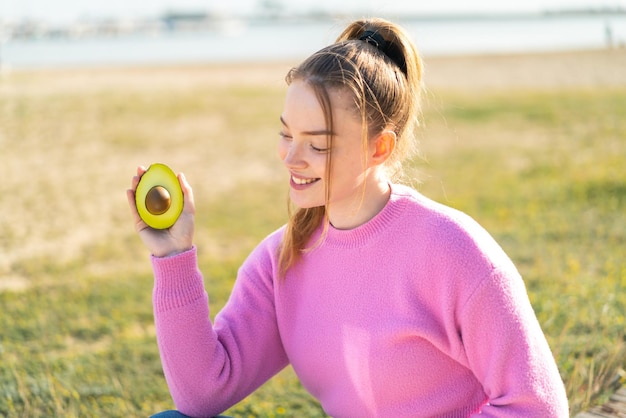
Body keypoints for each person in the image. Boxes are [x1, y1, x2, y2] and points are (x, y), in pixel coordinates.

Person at [127, 17, 569, 418]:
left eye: (317, 145)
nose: (292, 159)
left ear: (380, 148)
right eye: (286, 135)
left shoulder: (456, 252)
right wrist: (173, 258)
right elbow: (202, 394)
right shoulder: (282, 260)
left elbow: (539, 407)